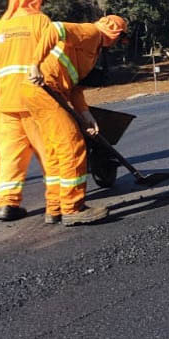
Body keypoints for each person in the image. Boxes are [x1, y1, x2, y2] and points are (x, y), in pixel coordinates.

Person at [35, 15, 129, 225]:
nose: (115, 45)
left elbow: (76, 89)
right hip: (44, 88)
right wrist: (34, 64)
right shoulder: (92, 33)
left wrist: (87, 117)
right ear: (114, 32)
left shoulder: (93, 51)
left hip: (46, 93)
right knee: (72, 147)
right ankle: (72, 208)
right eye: (118, 39)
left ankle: (55, 207)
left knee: (55, 151)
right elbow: (56, 29)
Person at [0, 0, 62, 222]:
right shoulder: (41, 22)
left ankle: (7, 203)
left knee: (10, 157)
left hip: (7, 105)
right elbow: (53, 59)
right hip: (36, 100)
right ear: (35, 1)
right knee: (50, 153)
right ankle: (55, 205)